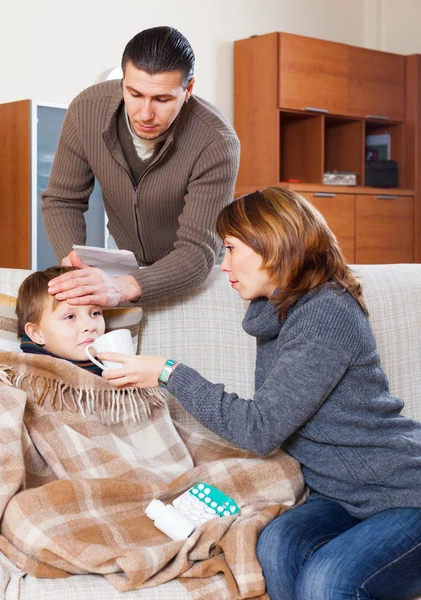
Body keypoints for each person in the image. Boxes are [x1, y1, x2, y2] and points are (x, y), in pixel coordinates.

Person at [97, 187, 421, 599]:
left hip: (403, 491)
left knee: (329, 580)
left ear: (273, 244)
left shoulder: (325, 312)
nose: (224, 265)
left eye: (231, 249)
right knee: (277, 547)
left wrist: (168, 372)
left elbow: (260, 428)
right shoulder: (278, 311)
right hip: (341, 493)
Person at [42, 25, 240, 308]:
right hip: (124, 262)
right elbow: (62, 200)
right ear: (123, 80)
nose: (145, 114)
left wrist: (123, 288)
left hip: (193, 272)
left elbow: (198, 250)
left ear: (188, 90)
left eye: (162, 99)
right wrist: (75, 268)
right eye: (134, 94)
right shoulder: (86, 110)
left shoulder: (216, 141)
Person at [16, 266, 106, 374]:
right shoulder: (22, 375)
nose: (90, 326)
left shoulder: (124, 365)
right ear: (37, 333)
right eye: (70, 317)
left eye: (95, 313)